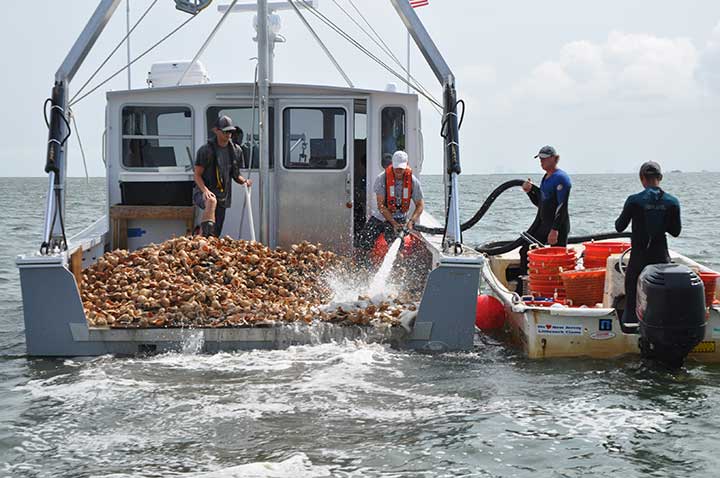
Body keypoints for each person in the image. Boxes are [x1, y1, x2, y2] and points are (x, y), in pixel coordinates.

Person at [615, 161, 681, 326]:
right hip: (661, 260)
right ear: (660, 178)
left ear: (642, 178)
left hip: (638, 261)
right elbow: (675, 231)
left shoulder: (634, 201)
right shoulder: (672, 202)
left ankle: (630, 331)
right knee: (661, 303)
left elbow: (619, 227)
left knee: (631, 303)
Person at [518, 145, 572, 294]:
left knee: (559, 261)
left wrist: (554, 230)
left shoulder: (561, 178)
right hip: (544, 224)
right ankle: (525, 289)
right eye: (540, 158)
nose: (541, 161)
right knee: (525, 251)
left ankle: (560, 292)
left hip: (558, 226)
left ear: (554, 159)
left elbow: (562, 206)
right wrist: (529, 192)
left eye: (544, 158)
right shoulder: (546, 177)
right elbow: (541, 204)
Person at [357, 150, 424, 265]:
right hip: (380, 217)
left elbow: (420, 205)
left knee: (399, 251)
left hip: (400, 218)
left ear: (406, 165)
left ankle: (398, 273)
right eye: (396, 167)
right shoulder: (381, 179)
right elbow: (381, 205)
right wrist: (393, 223)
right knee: (363, 242)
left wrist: (411, 221)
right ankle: (361, 268)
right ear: (392, 164)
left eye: (401, 168)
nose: (399, 171)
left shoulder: (413, 182)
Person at [193, 116, 252, 237]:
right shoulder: (205, 150)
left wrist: (244, 182)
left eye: (231, 131)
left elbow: (236, 175)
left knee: (217, 230)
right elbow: (197, 175)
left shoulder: (236, 151)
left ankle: (207, 242)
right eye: (225, 131)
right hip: (204, 191)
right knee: (211, 201)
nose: (228, 134)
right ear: (216, 130)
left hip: (223, 195)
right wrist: (205, 191)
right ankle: (204, 238)